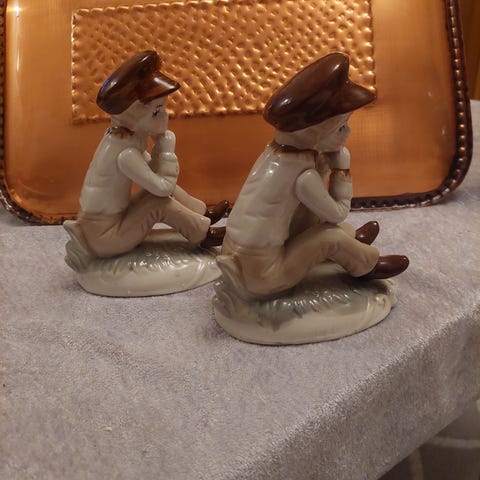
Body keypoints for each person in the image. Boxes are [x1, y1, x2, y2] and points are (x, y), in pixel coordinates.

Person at [220, 53, 409, 297]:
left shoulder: (274, 154)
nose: (347, 132)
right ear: (314, 132)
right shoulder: (303, 176)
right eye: (341, 127)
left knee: (317, 221)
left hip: (236, 254)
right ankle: (367, 265)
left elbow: (306, 211)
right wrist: (341, 169)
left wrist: (325, 163)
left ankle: (352, 241)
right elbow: (338, 212)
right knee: (330, 236)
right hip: (263, 274)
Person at [70, 51, 228, 258]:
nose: (166, 115)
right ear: (131, 117)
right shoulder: (125, 154)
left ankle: (202, 213)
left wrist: (159, 149)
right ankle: (204, 234)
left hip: (112, 223)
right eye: (156, 111)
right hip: (104, 237)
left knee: (157, 193)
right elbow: (163, 188)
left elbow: (152, 173)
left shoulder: (124, 139)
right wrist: (167, 150)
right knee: (158, 202)